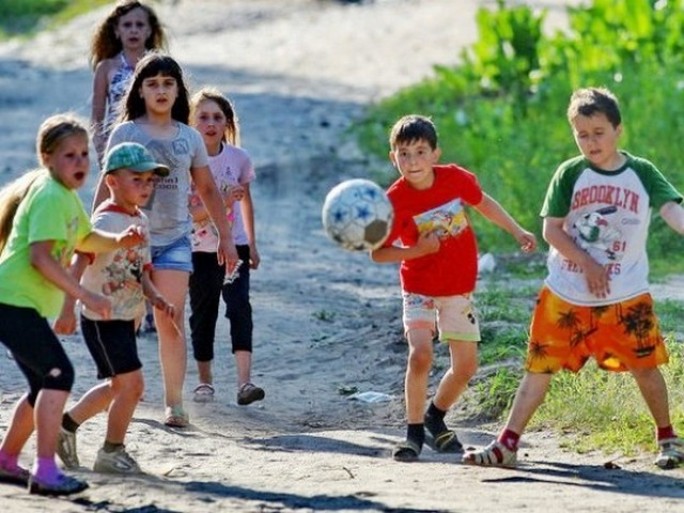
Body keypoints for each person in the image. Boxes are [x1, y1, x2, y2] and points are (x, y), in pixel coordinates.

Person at [463, 87, 684, 470]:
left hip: (626, 293)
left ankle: (668, 439)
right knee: (539, 368)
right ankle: (507, 444)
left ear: (618, 129)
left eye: (599, 132)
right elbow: (551, 230)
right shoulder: (571, 173)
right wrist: (586, 263)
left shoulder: (642, 172)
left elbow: (672, 210)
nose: (591, 141)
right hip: (566, 291)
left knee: (645, 366)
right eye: (582, 134)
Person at [370, 114, 536, 462]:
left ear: (435, 153)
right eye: (404, 154)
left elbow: (484, 203)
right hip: (418, 288)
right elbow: (378, 252)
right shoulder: (394, 201)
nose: (412, 162)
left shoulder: (454, 179)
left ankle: (435, 416)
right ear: (393, 158)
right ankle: (413, 432)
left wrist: (517, 230)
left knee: (466, 367)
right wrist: (417, 250)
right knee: (420, 355)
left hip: (458, 289)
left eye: (419, 152)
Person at [92, 52, 239, 428]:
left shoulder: (188, 136)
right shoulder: (126, 133)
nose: (160, 90)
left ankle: (174, 402)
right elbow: (105, 187)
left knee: (170, 319)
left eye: (168, 84)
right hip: (127, 240)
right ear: (140, 90)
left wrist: (226, 239)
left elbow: (207, 188)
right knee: (123, 320)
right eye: (153, 83)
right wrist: (94, 236)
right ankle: (119, 389)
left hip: (174, 241)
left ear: (178, 91)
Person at [0, 114, 145, 495]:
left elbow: (86, 240)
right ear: (47, 158)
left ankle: (6, 460)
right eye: (69, 155)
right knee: (58, 376)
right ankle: (46, 471)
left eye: (84, 154)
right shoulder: (49, 196)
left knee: (41, 384)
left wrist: (119, 242)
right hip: (11, 302)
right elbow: (41, 258)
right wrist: (83, 296)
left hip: (18, 305)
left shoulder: (65, 197)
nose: (80, 162)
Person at [53, 142, 174, 474]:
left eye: (150, 180)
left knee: (118, 386)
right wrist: (66, 309)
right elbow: (77, 265)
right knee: (133, 386)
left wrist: (156, 299)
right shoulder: (105, 221)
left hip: (127, 317)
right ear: (112, 182)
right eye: (137, 179)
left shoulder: (142, 221)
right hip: (102, 318)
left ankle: (67, 425)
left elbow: (140, 271)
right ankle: (111, 452)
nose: (146, 186)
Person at [188, 87, 265, 406]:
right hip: (199, 250)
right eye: (203, 117)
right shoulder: (187, 161)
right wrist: (220, 200)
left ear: (227, 123)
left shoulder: (239, 158)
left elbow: (247, 203)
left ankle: (245, 382)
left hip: (237, 247)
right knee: (203, 314)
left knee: (239, 308)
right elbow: (191, 213)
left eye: (217, 117)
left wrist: (252, 242)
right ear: (191, 123)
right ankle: (205, 382)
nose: (210, 123)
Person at [90, 0, 167, 163]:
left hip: (154, 144)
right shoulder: (106, 67)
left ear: (149, 31)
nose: (133, 30)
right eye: (127, 25)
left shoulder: (161, 66)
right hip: (118, 145)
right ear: (117, 31)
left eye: (140, 25)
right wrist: (102, 150)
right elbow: (97, 118)